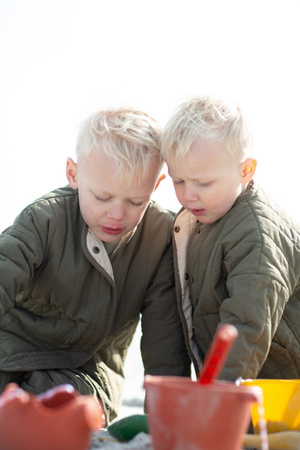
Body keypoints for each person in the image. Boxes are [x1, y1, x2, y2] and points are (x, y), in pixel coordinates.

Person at [0, 107, 190, 423]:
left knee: (71, 411)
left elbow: (165, 340)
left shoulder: (160, 239)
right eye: (102, 197)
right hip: (11, 354)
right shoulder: (44, 219)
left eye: (134, 202)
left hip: (85, 372)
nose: (117, 214)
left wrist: (167, 420)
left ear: (155, 187)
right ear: (74, 175)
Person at [160, 94, 300, 381]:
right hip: (243, 387)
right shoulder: (201, 219)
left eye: (203, 182)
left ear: (245, 170)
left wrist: (218, 400)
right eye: (179, 180)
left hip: (282, 390)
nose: (188, 194)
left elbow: (246, 327)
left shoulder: (258, 235)